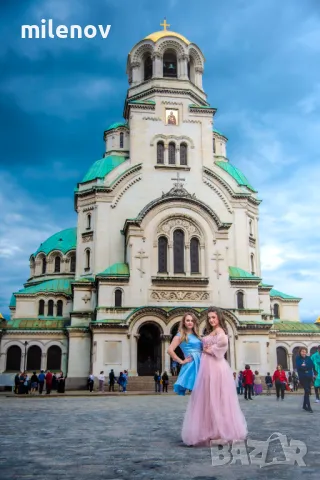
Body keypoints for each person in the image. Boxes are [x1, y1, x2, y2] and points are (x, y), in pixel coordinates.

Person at [181, 307, 247, 446]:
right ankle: (211, 430)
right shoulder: (212, 331)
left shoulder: (221, 331)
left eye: (214, 317)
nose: (211, 320)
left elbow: (223, 346)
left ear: (219, 318)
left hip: (215, 367)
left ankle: (221, 431)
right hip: (207, 367)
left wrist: (207, 349)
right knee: (208, 398)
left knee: (217, 398)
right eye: (209, 318)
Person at [167, 312, 202, 396]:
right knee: (197, 390)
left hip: (201, 361)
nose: (190, 322)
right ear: (184, 322)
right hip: (192, 364)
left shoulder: (196, 335)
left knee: (203, 389)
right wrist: (181, 361)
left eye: (192, 321)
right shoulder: (180, 335)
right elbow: (170, 350)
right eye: (188, 320)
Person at [296, 347, 315, 413]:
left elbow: (311, 365)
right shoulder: (298, 358)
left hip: (309, 377)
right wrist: (306, 367)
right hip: (302, 378)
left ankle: (304, 405)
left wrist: (305, 366)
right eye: (302, 351)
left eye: (305, 351)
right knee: (307, 390)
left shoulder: (308, 358)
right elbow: (299, 366)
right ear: (300, 352)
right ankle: (309, 407)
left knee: (307, 391)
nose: (304, 353)